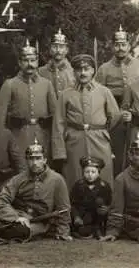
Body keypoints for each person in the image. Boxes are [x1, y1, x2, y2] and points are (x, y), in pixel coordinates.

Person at [52, 54, 121, 190]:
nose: (82, 73)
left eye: (86, 69)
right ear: (74, 72)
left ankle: (105, 207)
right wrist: (60, 151)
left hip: (99, 141)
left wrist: (101, 131)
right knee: (75, 175)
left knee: (103, 176)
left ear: (93, 71)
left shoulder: (104, 91)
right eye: (79, 69)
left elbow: (115, 116)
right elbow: (58, 123)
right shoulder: (66, 94)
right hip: (74, 141)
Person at [0, 39, 57, 164]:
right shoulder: (10, 84)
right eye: (25, 60)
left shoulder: (46, 84)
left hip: (43, 137)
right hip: (18, 138)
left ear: (37, 61)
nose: (29, 64)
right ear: (20, 62)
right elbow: (0, 119)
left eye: (33, 60)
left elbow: (55, 116)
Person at [96, 25, 139, 177]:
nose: (120, 48)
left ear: (129, 46)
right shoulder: (104, 68)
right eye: (117, 45)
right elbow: (99, 95)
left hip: (136, 116)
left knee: (136, 152)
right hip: (114, 118)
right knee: (116, 155)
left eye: (123, 44)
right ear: (112, 46)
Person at [70, 156, 112, 239]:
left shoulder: (104, 186)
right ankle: (86, 230)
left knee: (99, 202)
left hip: (99, 216)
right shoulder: (78, 185)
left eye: (93, 172)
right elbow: (73, 204)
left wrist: (107, 209)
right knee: (82, 230)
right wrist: (76, 217)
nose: (90, 175)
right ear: (83, 172)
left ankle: (98, 229)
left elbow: (110, 202)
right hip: (83, 216)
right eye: (87, 172)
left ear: (98, 172)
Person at [38, 28, 75, 97]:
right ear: (50, 49)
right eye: (55, 47)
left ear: (66, 50)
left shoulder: (74, 71)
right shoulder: (40, 72)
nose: (58, 50)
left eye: (61, 47)